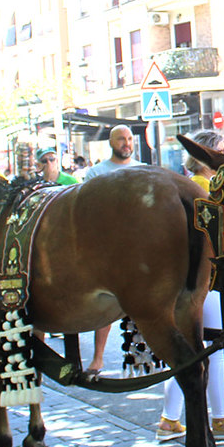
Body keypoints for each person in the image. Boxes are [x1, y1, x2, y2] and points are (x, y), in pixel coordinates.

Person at [157, 130, 224, 441]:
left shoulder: (191, 186)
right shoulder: (205, 190)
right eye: (223, 152)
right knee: (211, 350)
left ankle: (169, 419)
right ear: (208, 158)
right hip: (207, 280)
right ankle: (221, 417)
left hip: (192, 279)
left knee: (190, 349)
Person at [82, 126, 138, 372]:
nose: (126, 143)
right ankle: (98, 358)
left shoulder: (143, 170)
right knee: (106, 305)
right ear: (111, 142)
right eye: (121, 139)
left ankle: (146, 358)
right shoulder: (96, 173)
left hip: (139, 248)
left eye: (129, 139)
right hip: (108, 250)